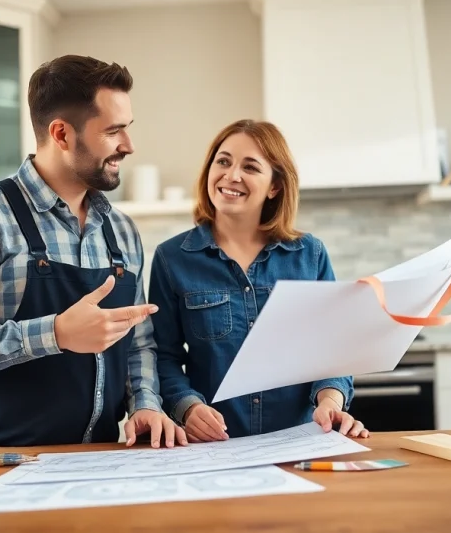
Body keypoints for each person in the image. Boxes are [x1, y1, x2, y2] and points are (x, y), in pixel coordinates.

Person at [0, 54, 187, 449]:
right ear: (61, 134)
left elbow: (138, 340)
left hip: (100, 461)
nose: (129, 145)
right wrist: (54, 333)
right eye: (113, 131)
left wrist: (145, 403)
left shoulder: (121, 230)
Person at [149, 119, 368, 442]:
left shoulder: (310, 255)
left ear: (275, 186)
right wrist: (188, 408)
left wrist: (330, 401)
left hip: (300, 442)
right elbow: (163, 357)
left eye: (250, 167)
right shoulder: (172, 258)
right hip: (215, 448)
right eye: (223, 161)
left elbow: (332, 349)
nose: (231, 175)